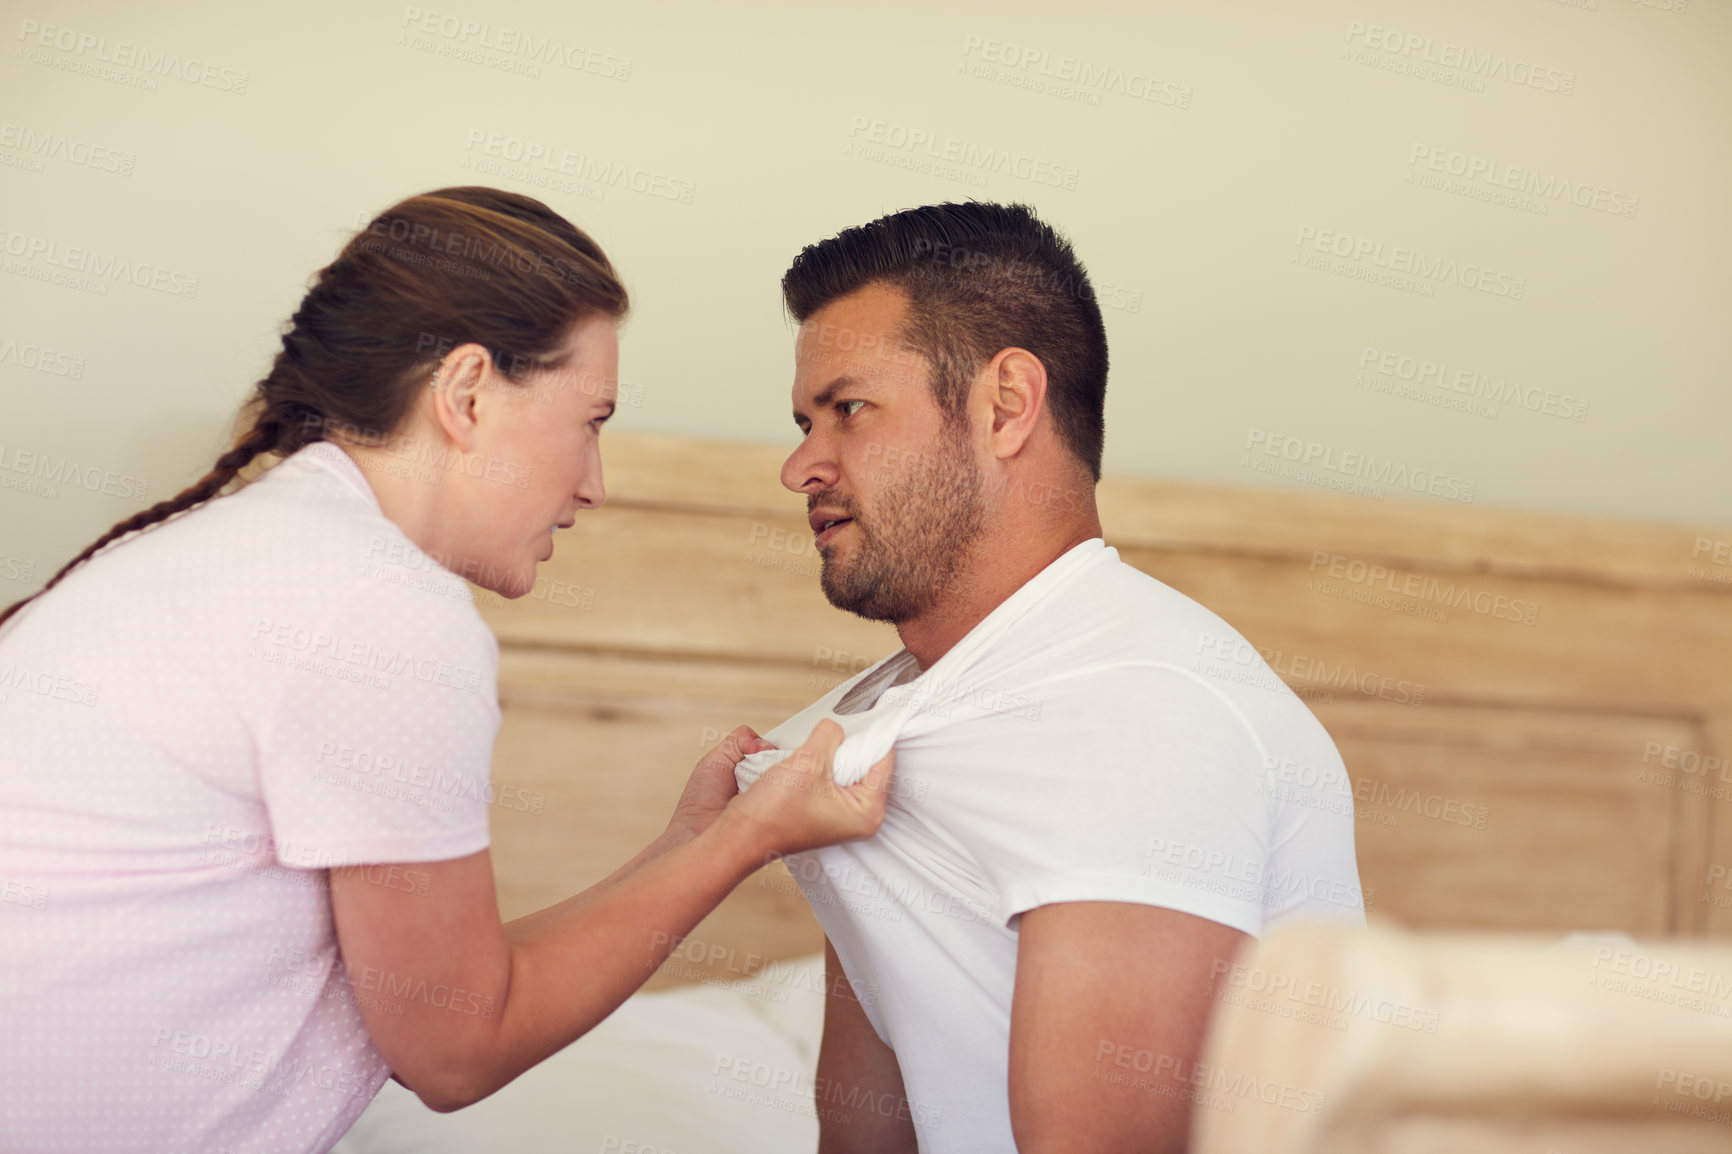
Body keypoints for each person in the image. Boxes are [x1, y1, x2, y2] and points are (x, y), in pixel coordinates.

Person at [0, 187, 892, 1154]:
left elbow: (466, 987)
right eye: (591, 420)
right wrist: (743, 846)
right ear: (466, 392)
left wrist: (689, 839)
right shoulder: (376, 608)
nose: (594, 483)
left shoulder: (287, 553)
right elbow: (460, 1051)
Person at [734, 202, 1367, 1153]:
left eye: (849, 411)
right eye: (803, 421)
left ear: (1005, 405)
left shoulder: (1139, 710)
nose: (799, 468)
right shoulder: (897, 720)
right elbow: (872, 1131)